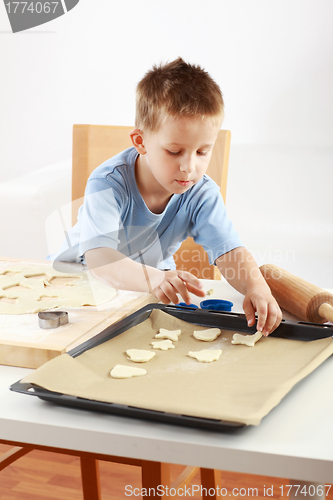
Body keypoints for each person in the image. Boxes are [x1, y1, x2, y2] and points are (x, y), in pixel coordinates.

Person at [51, 58, 282, 335]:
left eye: (202, 152)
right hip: (76, 281)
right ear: (140, 142)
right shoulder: (108, 183)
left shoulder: (201, 192)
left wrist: (256, 287)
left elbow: (228, 250)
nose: (189, 167)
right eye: (174, 152)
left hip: (145, 285)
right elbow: (100, 260)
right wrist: (155, 277)